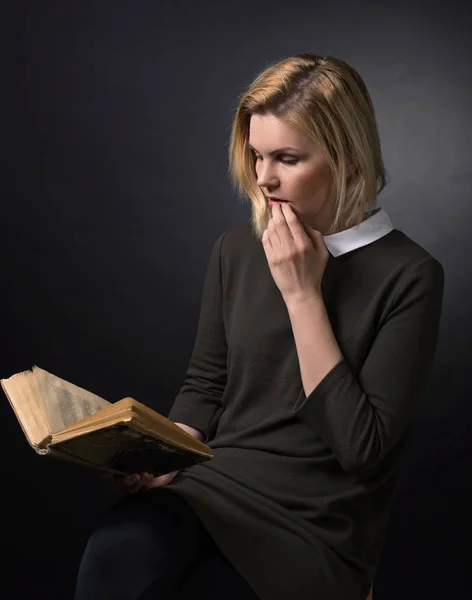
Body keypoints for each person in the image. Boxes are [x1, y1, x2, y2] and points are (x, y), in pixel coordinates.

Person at [74, 53, 445, 600]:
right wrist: (165, 454)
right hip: (214, 486)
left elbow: (361, 448)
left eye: (287, 158)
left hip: (314, 525)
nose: (264, 178)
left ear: (346, 158)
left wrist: (302, 293)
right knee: (116, 553)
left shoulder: (410, 275)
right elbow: (206, 384)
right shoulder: (236, 250)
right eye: (257, 155)